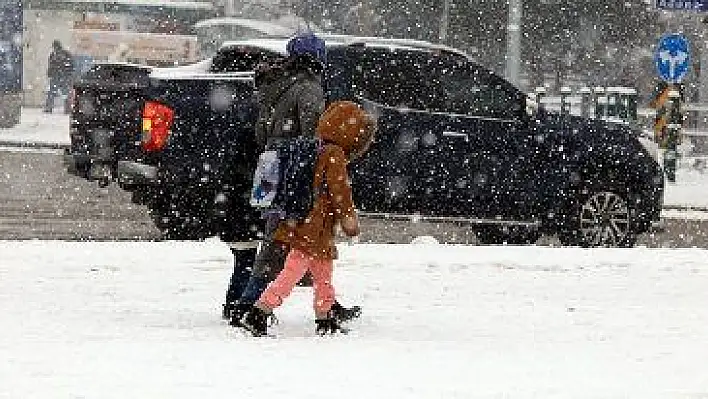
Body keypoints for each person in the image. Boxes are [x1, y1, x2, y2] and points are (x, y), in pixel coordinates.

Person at [223, 32, 360, 324]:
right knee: (288, 234)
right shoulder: (309, 87)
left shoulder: (274, 85)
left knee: (298, 234)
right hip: (297, 169)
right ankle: (251, 303)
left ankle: (327, 302)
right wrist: (317, 163)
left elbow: (261, 132)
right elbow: (315, 133)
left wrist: (276, 147)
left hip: (270, 165)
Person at [239, 100, 376, 336]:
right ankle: (259, 311)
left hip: (306, 222)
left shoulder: (317, 147)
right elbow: (340, 191)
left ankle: (324, 316)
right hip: (314, 226)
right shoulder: (334, 155)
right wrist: (349, 220)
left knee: (323, 272)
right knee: (292, 272)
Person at [45, 40, 75, 114]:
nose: (54, 48)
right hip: (63, 76)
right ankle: (67, 109)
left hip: (59, 76)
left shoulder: (55, 54)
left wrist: (49, 74)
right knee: (65, 93)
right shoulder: (65, 54)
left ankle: (49, 108)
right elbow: (71, 65)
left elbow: (51, 65)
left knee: (52, 93)